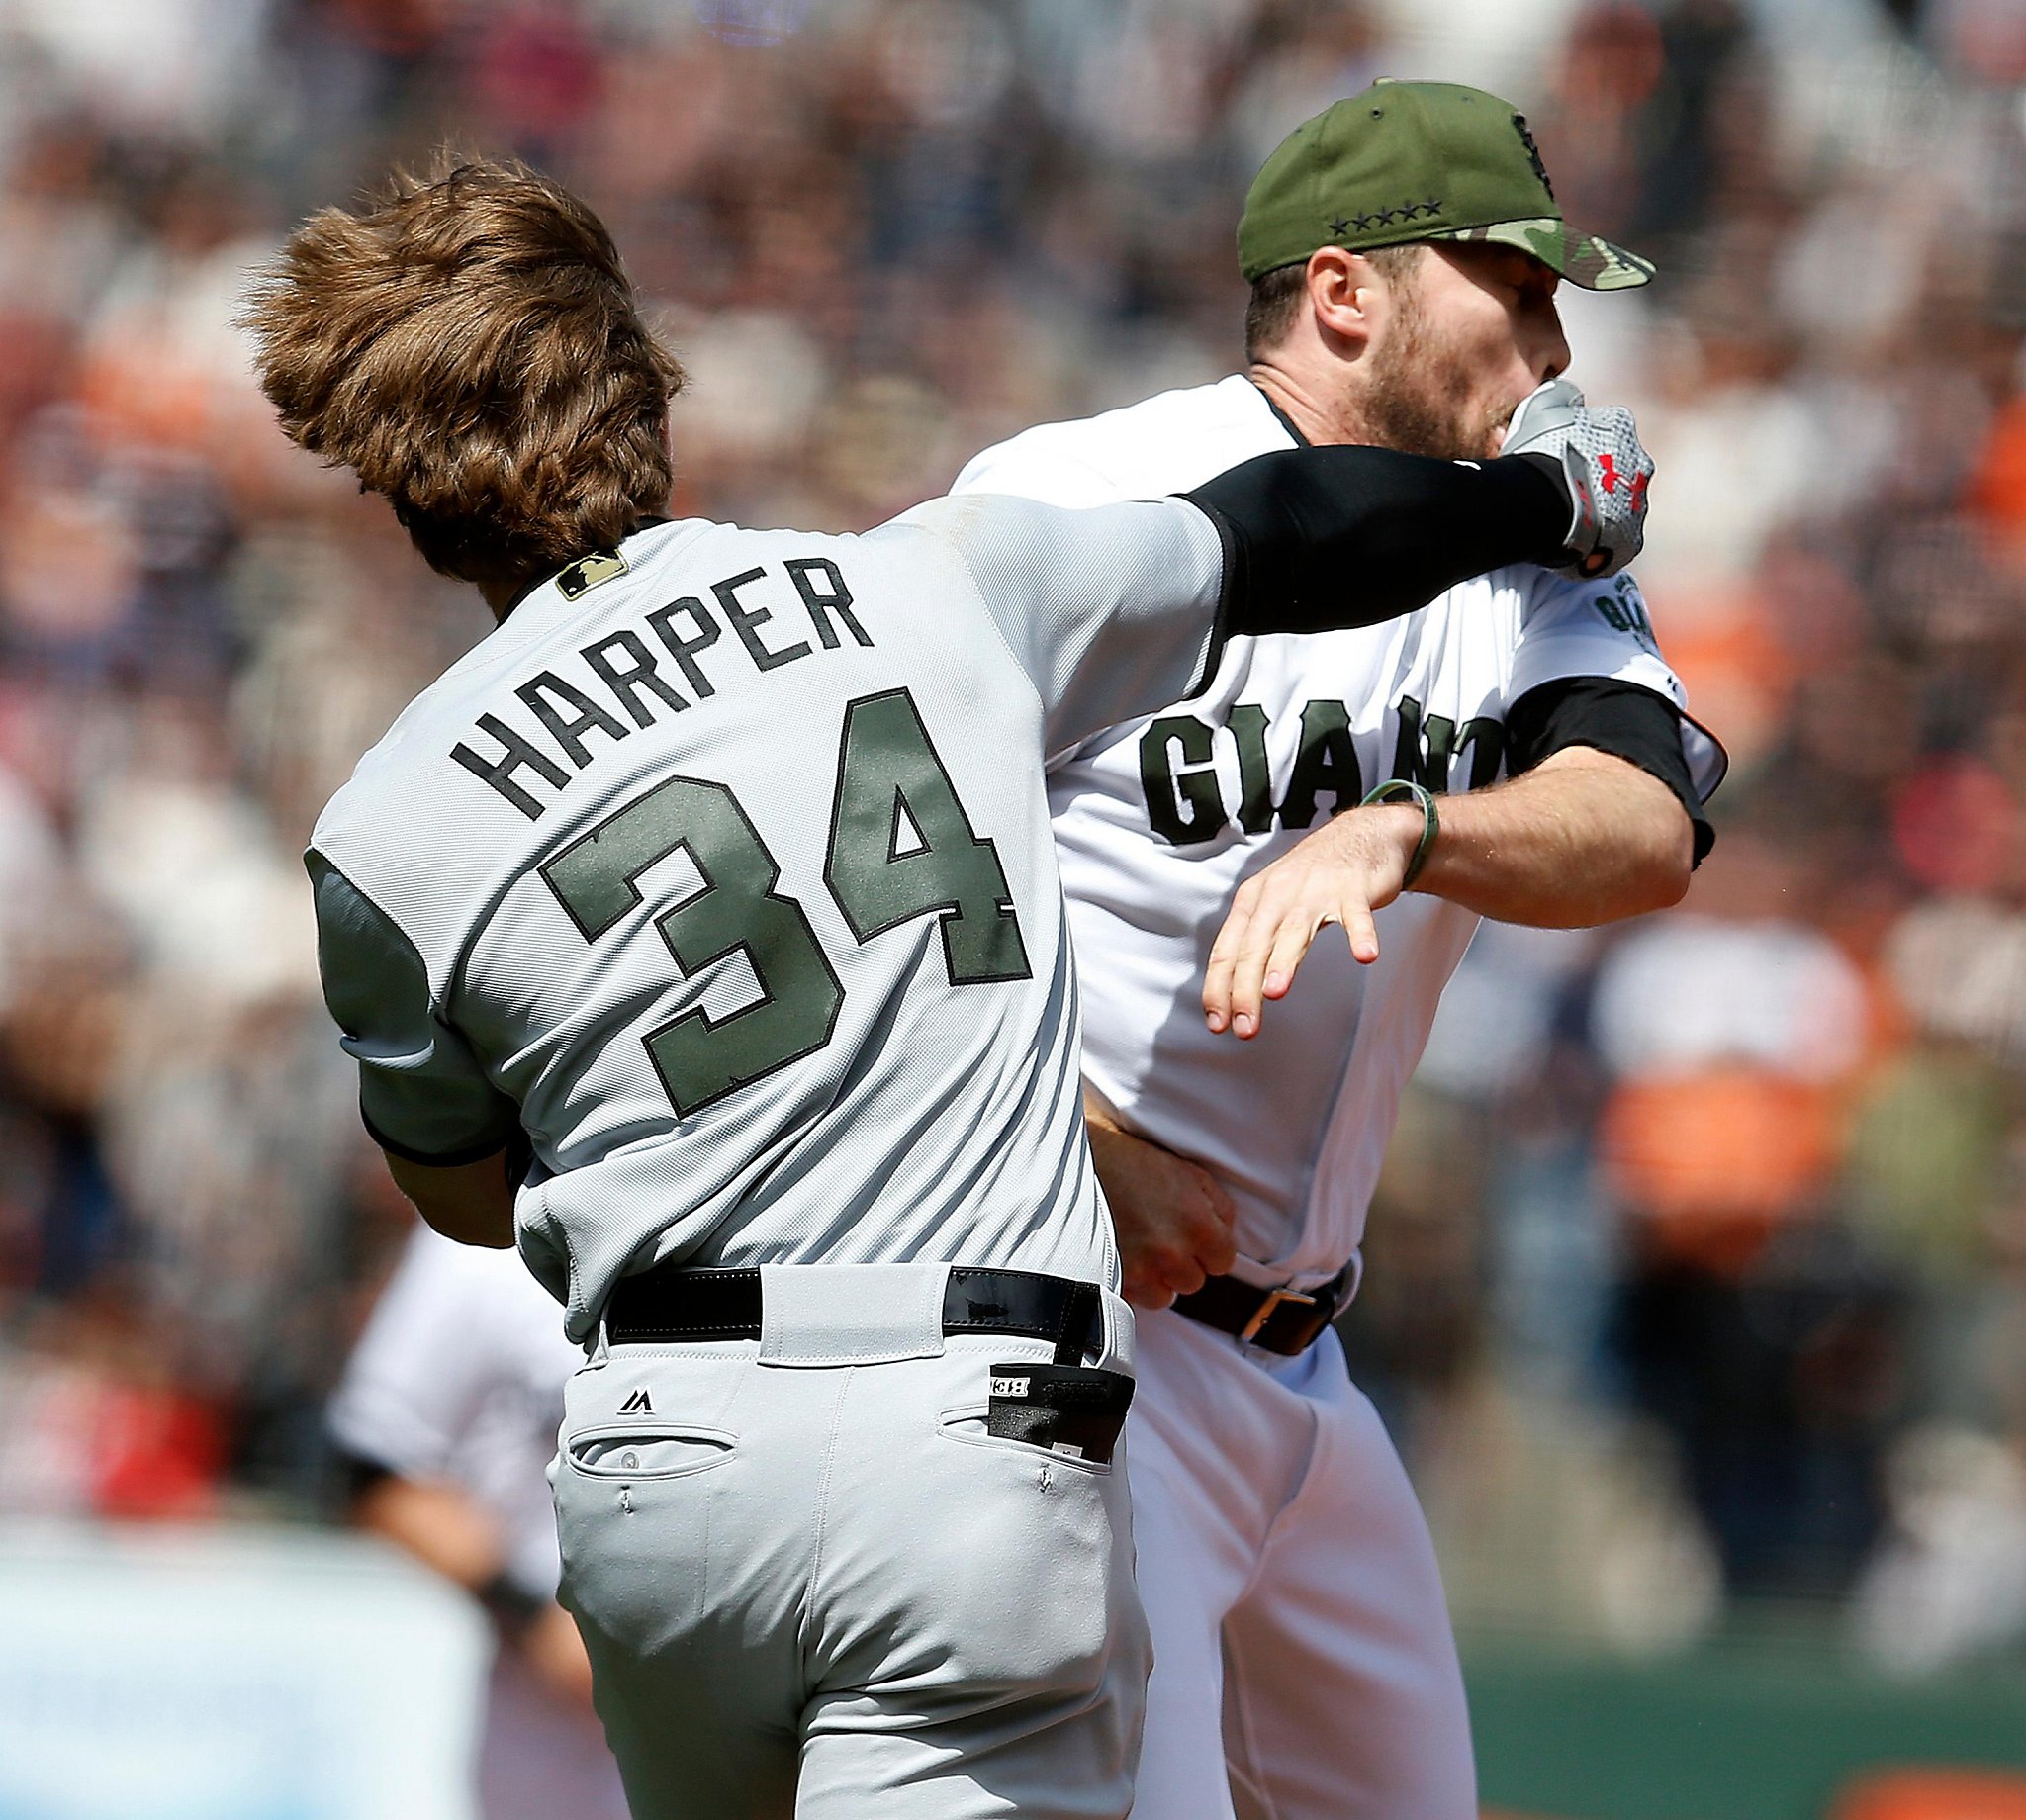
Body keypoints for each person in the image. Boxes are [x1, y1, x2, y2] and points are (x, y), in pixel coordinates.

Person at [246, 154, 1651, 1820]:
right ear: (647, 394)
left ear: (400, 500)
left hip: (656, 1455)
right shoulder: (921, 584)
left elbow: (474, 1197)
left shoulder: (385, 830)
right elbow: (1277, 534)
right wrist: (1539, 511)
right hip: (960, 1417)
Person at [950, 79, 1725, 1820]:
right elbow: (880, 893)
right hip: (1090, 1335)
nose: (1549, 341)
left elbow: (1644, 818)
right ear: (1344, 292)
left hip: (1310, 1366)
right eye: (1512, 290)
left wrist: (1413, 829)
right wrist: (1064, 1146)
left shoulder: (1515, 542)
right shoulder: (1075, 499)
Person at [328, 1223, 630, 1820]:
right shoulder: (486, 1242)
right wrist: (536, 1619)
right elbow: (376, 1467)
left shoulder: (775, 1208)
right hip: (549, 1736)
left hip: (756, 1709)